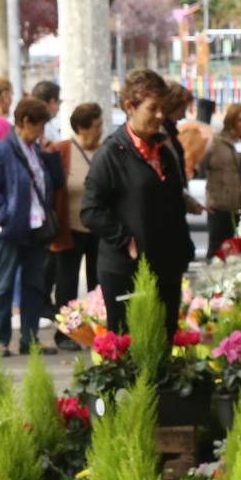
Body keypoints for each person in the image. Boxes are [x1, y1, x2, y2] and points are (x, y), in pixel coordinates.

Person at [81, 68, 194, 337]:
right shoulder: (110, 154)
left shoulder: (164, 151)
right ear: (130, 107)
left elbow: (174, 204)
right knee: (131, 349)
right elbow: (90, 211)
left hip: (166, 268)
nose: (160, 116)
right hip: (125, 271)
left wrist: (182, 247)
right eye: (153, 108)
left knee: (163, 345)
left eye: (162, 108)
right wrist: (127, 240)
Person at [0, 96, 65, 354]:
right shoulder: (3, 149)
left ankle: (30, 338)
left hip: (36, 229)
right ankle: (0, 340)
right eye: (38, 126)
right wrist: (3, 215)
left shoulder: (36, 149)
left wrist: (51, 156)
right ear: (25, 122)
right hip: (11, 229)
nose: (41, 132)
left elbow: (56, 181)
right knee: (3, 286)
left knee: (34, 285)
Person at [51, 102, 106, 342]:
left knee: (98, 284)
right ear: (82, 128)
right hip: (69, 228)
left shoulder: (106, 151)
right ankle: (66, 333)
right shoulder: (62, 150)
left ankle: (97, 330)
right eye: (96, 126)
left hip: (99, 229)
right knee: (66, 284)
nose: (100, 131)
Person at [202, 103, 241, 260]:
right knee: (218, 251)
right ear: (231, 121)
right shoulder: (215, 142)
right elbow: (199, 167)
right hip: (220, 207)